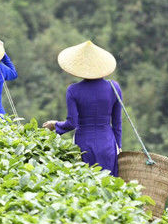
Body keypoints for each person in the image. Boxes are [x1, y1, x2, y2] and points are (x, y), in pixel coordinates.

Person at [43, 40, 122, 176]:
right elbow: (117, 123)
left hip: (84, 145)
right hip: (108, 144)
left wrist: (55, 125)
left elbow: (72, 123)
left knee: (87, 187)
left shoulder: (73, 90)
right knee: (109, 187)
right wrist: (118, 146)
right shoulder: (114, 88)